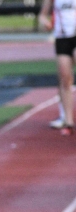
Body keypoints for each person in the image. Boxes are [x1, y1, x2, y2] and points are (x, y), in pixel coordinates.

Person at [40, 0, 76, 135]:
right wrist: (46, 23)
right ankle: (68, 121)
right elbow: (42, 15)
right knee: (65, 78)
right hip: (62, 38)